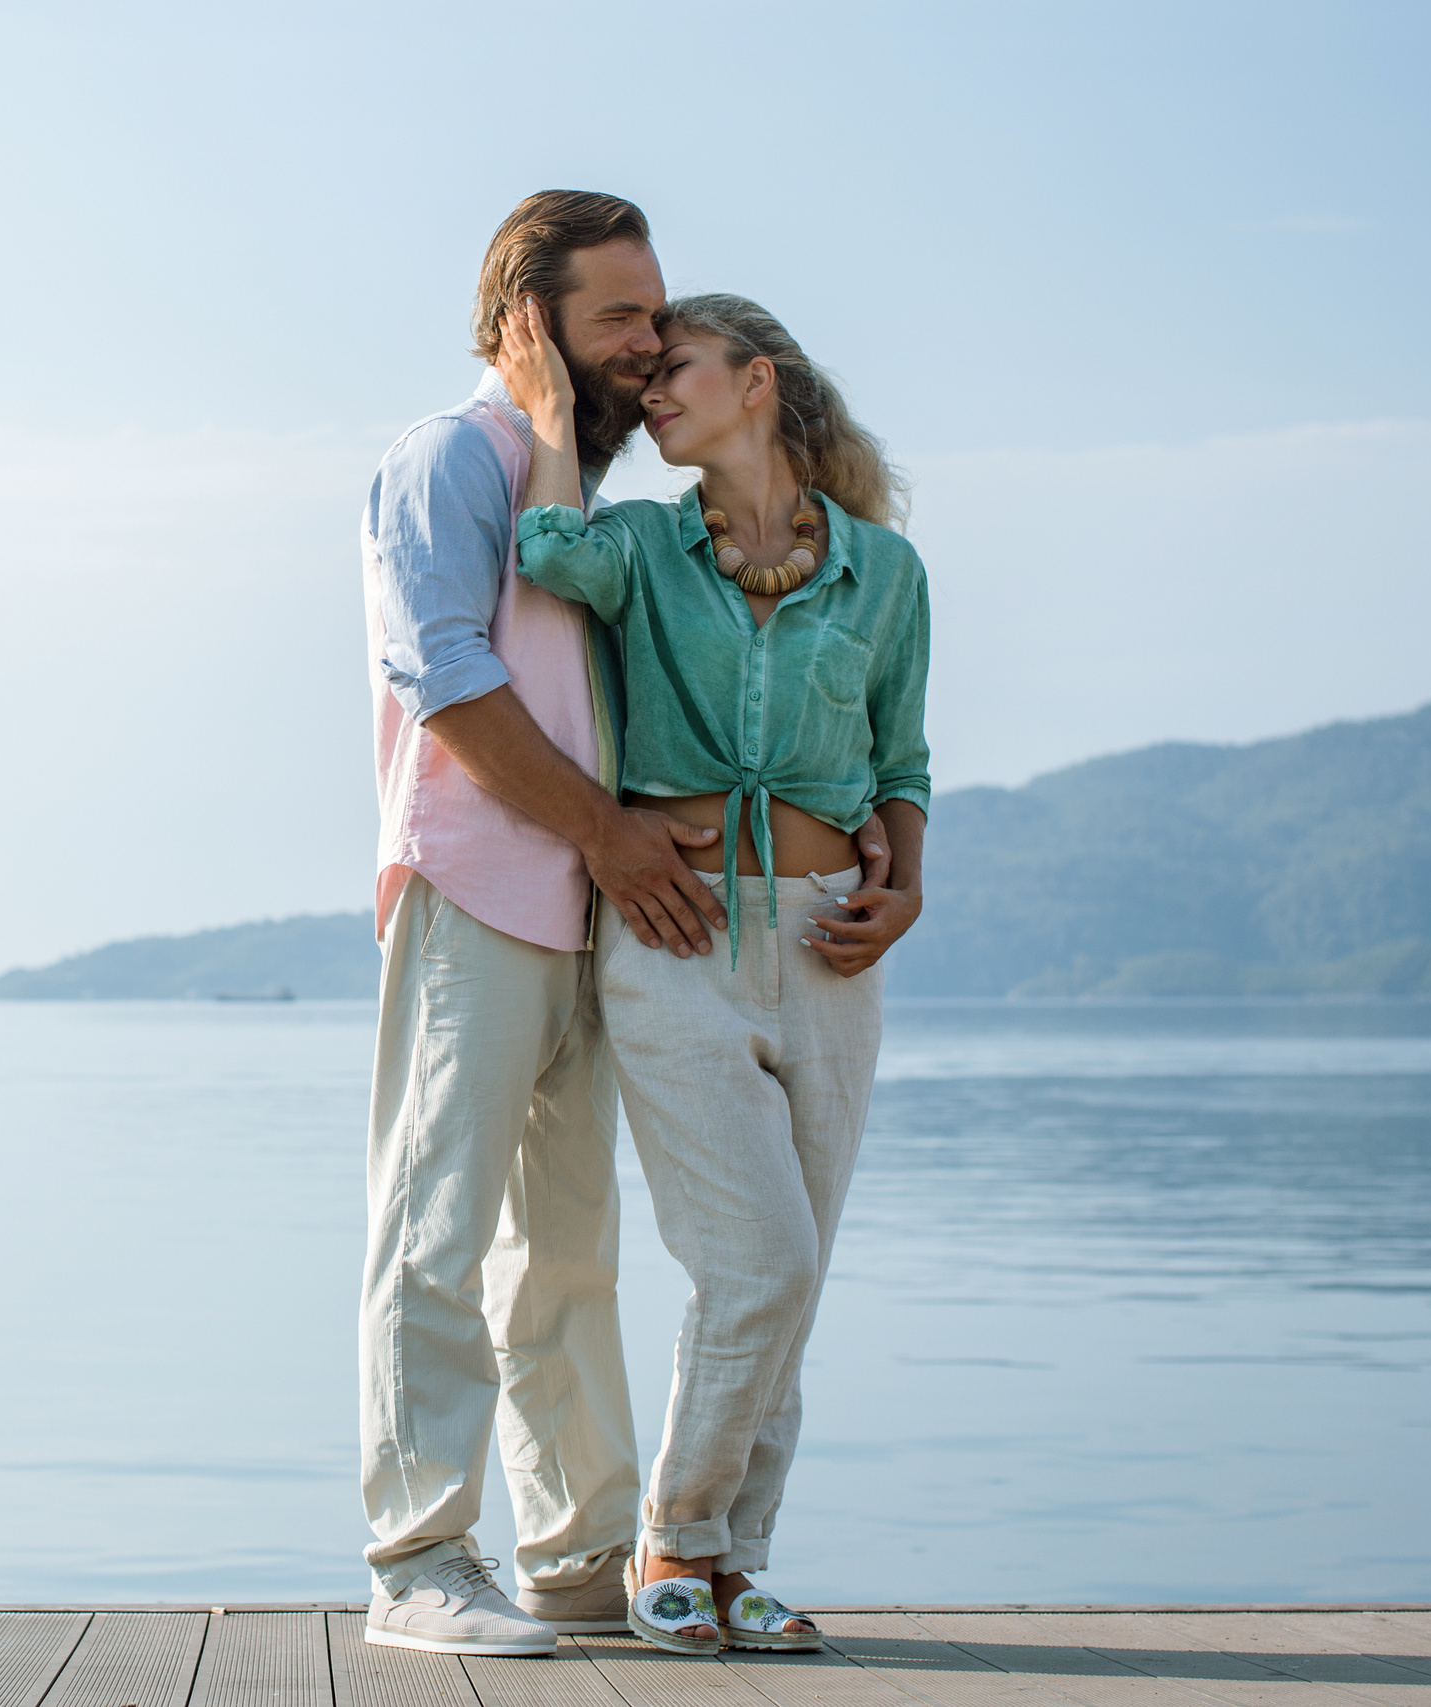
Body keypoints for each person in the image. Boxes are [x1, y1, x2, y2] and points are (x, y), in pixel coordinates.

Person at [356, 193, 891, 1656]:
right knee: (437, 1230)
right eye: (620, 318)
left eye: (658, 316)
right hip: (479, 892)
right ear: (528, 325)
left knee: (567, 1251)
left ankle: (579, 1552)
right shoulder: (449, 460)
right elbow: (446, 674)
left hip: (608, 915)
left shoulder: (586, 501)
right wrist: (602, 831)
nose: (650, 344)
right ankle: (416, 1562)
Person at [496, 290, 930, 1655]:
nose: (650, 392)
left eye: (671, 369)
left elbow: (903, 760)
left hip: (833, 943)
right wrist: (556, 421)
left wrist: (905, 884)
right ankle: (676, 1538)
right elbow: (546, 549)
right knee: (762, 1261)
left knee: (795, 1273)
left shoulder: (887, 571)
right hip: (679, 931)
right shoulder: (637, 547)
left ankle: (742, 1560)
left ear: (758, 381)